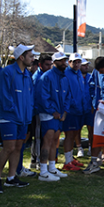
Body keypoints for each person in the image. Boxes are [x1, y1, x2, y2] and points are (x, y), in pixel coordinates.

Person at [0, 44, 36, 193]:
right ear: (21, 57)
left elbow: (29, 97)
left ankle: (11, 178)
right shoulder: (8, 72)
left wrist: (28, 114)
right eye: (30, 56)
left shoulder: (27, 74)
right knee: (8, 147)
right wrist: (14, 111)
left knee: (18, 147)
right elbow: (4, 95)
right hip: (9, 117)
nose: (33, 59)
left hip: (23, 118)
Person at [36, 51, 71, 181]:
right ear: (55, 62)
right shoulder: (46, 77)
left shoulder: (64, 77)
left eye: (65, 60)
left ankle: (52, 167)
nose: (64, 63)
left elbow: (67, 96)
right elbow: (42, 97)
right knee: (47, 140)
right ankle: (43, 171)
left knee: (55, 140)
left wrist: (64, 112)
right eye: (61, 60)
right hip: (48, 114)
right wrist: (53, 112)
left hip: (59, 115)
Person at [62, 53, 88, 169]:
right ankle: (67, 161)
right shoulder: (66, 74)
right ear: (69, 62)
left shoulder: (78, 74)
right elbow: (66, 93)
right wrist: (69, 107)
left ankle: (71, 158)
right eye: (74, 62)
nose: (77, 64)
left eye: (79, 62)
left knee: (74, 135)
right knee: (69, 135)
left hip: (79, 110)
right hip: (71, 111)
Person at [29, 55, 53, 168]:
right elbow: (38, 97)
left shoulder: (46, 75)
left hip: (44, 110)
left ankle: (36, 159)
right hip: (38, 111)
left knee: (43, 136)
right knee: (38, 136)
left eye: (50, 64)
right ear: (40, 65)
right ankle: (37, 160)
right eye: (46, 65)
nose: (49, 67)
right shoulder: (38, 77)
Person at [78, 58, 94, 157]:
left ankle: (90, 147)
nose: (86, 67)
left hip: (89, 107)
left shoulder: (91, 77)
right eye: (84, 65)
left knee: (91, 129)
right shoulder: (76, 76)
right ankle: (79, 147)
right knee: (77, 130)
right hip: (78, 107)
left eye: (87, 65)